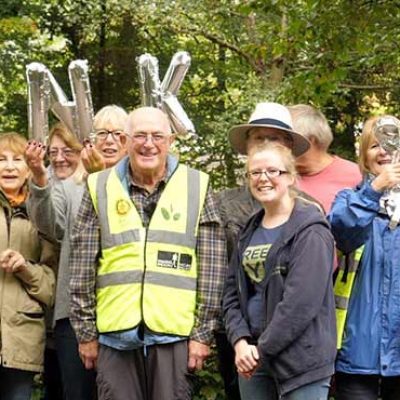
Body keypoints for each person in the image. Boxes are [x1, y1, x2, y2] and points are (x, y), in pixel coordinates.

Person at [69, 106, 227, 400]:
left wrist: (202, 334)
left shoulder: (197, 185)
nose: (148, 143)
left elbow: (213, 268)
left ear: (170, 141)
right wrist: (86, 333)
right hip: (114, 336)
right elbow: (81, 266)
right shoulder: (99, 186)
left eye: (157, 135)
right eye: (139, 135)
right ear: (126, 141)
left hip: (174, 335)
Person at [25, 105, 128, 400]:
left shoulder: (140, 186)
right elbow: (50, 227)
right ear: (89, 139)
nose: (109, 141)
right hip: (74, 317)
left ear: (129, 142)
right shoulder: (71, 187)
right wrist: (39, 178)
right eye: (101, 133)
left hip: (124, 312)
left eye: (118, 135)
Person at [223, 142, 336, 399]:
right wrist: (240, 342)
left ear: (291, 177)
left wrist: (259, 351)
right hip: (253, 359)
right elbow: (231, 294)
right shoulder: (248, 231)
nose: (263, 178)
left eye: (273, 171)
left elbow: (300, 305)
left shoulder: (311, 230)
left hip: (301, 362)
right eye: (255, 172)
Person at [215, 101, 314, 399]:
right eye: (259, 137)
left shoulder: (310, 212)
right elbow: (222, 277)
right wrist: (239, 339)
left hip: (295, 346)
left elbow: (307, 292)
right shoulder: (221, 204)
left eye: (275, 137)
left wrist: (263, 346)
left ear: (288, 147)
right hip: (236, 336)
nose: (265, 144)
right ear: (246, 145)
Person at [328, 115, 400, 400]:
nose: (383, 151)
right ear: (363, 156)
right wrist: (375, 190)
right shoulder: (349, 199)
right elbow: (344, 231)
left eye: (392, 144)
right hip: (356, 351)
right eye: (374, 145)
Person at [0, 132, 55, 400]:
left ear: (29, 167)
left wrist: (24, 267)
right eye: (1, 159)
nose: (9, 166)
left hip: (22, 336)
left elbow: (50, 286)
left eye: (17, 159)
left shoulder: (42, 212)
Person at [289, 104, 361, 212]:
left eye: (286, 138)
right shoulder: (273, 177)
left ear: (310, 140)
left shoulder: (356, 177)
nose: (277, 145)